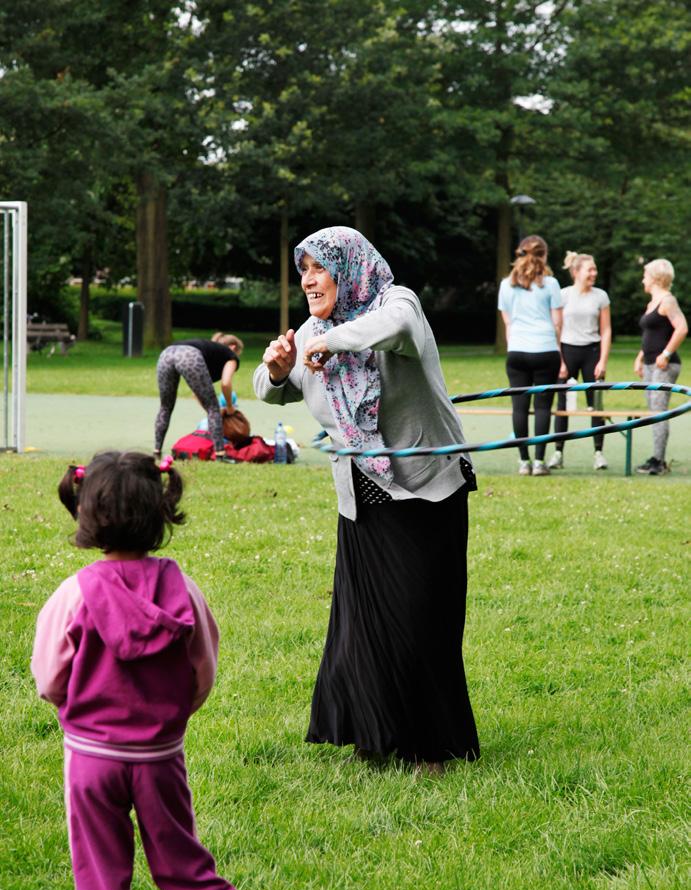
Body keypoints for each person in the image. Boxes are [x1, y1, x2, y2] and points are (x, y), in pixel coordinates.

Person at [253, 226, 479, 774]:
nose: (308, 280)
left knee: (421, 616)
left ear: (348, 266)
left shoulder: (395, 303)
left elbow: (393, 327)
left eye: (317, 267)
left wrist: (331, 340)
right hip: (362, 494)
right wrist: (280, 369)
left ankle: (431, 745)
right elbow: (264, 384)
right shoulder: (311, 330)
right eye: (302, 270)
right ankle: (373, 735)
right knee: (362, 623)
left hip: (425, 486)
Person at [31, 451, 236, 890]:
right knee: (184, 866)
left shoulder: (73, 594)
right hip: (160, 756)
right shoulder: (184, 588)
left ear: (88, 513)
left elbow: (49, 679)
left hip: (91, 757)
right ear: (159, 512)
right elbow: (203, 671)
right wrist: (172, 714)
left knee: (100, 876)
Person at [498, 235, 563, 475]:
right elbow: (558, 323)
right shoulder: (551, 284)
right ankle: (539, 461)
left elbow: (507, 323)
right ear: (544, 255)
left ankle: (523, 461)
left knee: (519, 407)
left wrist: (513, 345)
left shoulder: (506, 284)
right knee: (543, 406)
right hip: (546, 349)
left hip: (517, 351)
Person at [547, 251, 612, 471]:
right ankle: (558, 453)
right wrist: (561, 361)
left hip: (592, 353)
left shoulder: (600, 296)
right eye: (589, 269)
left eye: (595, 269)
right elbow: (556, 328)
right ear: (576, 272)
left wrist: (602, 360)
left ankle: (598, 452)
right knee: (562, 404)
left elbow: (606, 329)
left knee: (596, 406)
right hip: (567, 351)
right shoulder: (563, 295)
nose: (594, 273)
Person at [634, 259, 688, 474]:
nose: (642, 279)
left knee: (658, 411)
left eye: (645, 275)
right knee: (653, 411)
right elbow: (651, 334)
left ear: (656, 278)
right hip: (650, 364)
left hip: (664, 365)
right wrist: (640, 357)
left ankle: (659, 461)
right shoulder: (652, 303)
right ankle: (656, 457)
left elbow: (682, 328)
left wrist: (665, 354)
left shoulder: (667, 301)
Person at [154, 332, 244, 462]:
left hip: (166, 354)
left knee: (165, 407)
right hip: (188, 355)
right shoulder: (231, 356)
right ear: (234, 347)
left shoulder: (209, 353)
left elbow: (197, 393)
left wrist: (211, 411)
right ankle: (220, 454)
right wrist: (229, 407)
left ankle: (157, 451)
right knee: (213, 407)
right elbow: (226, 383)